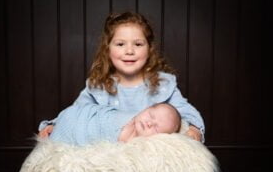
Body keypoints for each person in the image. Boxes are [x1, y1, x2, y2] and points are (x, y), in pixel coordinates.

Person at [39, 11, 205, 142]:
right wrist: (54, 124)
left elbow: (186, 111)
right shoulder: (100, 85)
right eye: (120, 44)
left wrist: (195, 129)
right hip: (109, 146)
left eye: (138, 44)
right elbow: (78, 113)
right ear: (108, 49)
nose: (129, 51)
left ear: (149, 49)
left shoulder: (162, 84)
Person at [48, 102, 181, 146]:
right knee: (66, 122)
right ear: (146, 108)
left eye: (156, 128)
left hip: (86, 137)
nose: (149, 123)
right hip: (82, 116)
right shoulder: (129, 118)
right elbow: (90, 109)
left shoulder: (140, 146)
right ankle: (55, 127)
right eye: (151, 115)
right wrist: (52, 123)